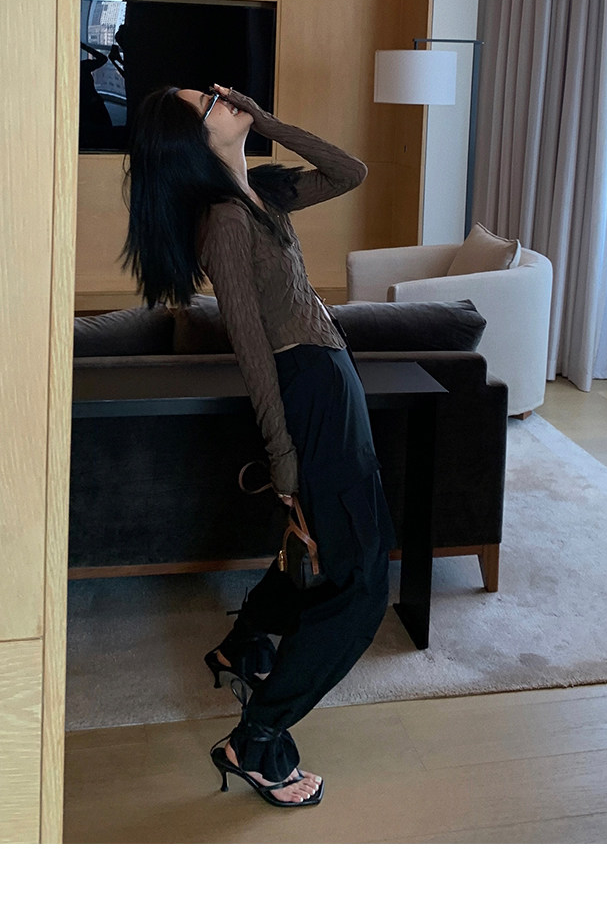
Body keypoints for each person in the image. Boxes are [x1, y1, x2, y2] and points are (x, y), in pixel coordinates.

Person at [119, 82, 394, 808]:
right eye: (209, 102)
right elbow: (252, 352)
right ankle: (257, 738)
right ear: (193, 140)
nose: (225, 97)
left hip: (332, 379)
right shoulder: (224, 223)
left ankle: (240, 646)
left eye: (218, 90)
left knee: (326, 545)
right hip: (308, 390)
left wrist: (267, 120)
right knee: (361, 582)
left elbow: (350, 172)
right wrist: (284, 462)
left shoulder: (262, 193)